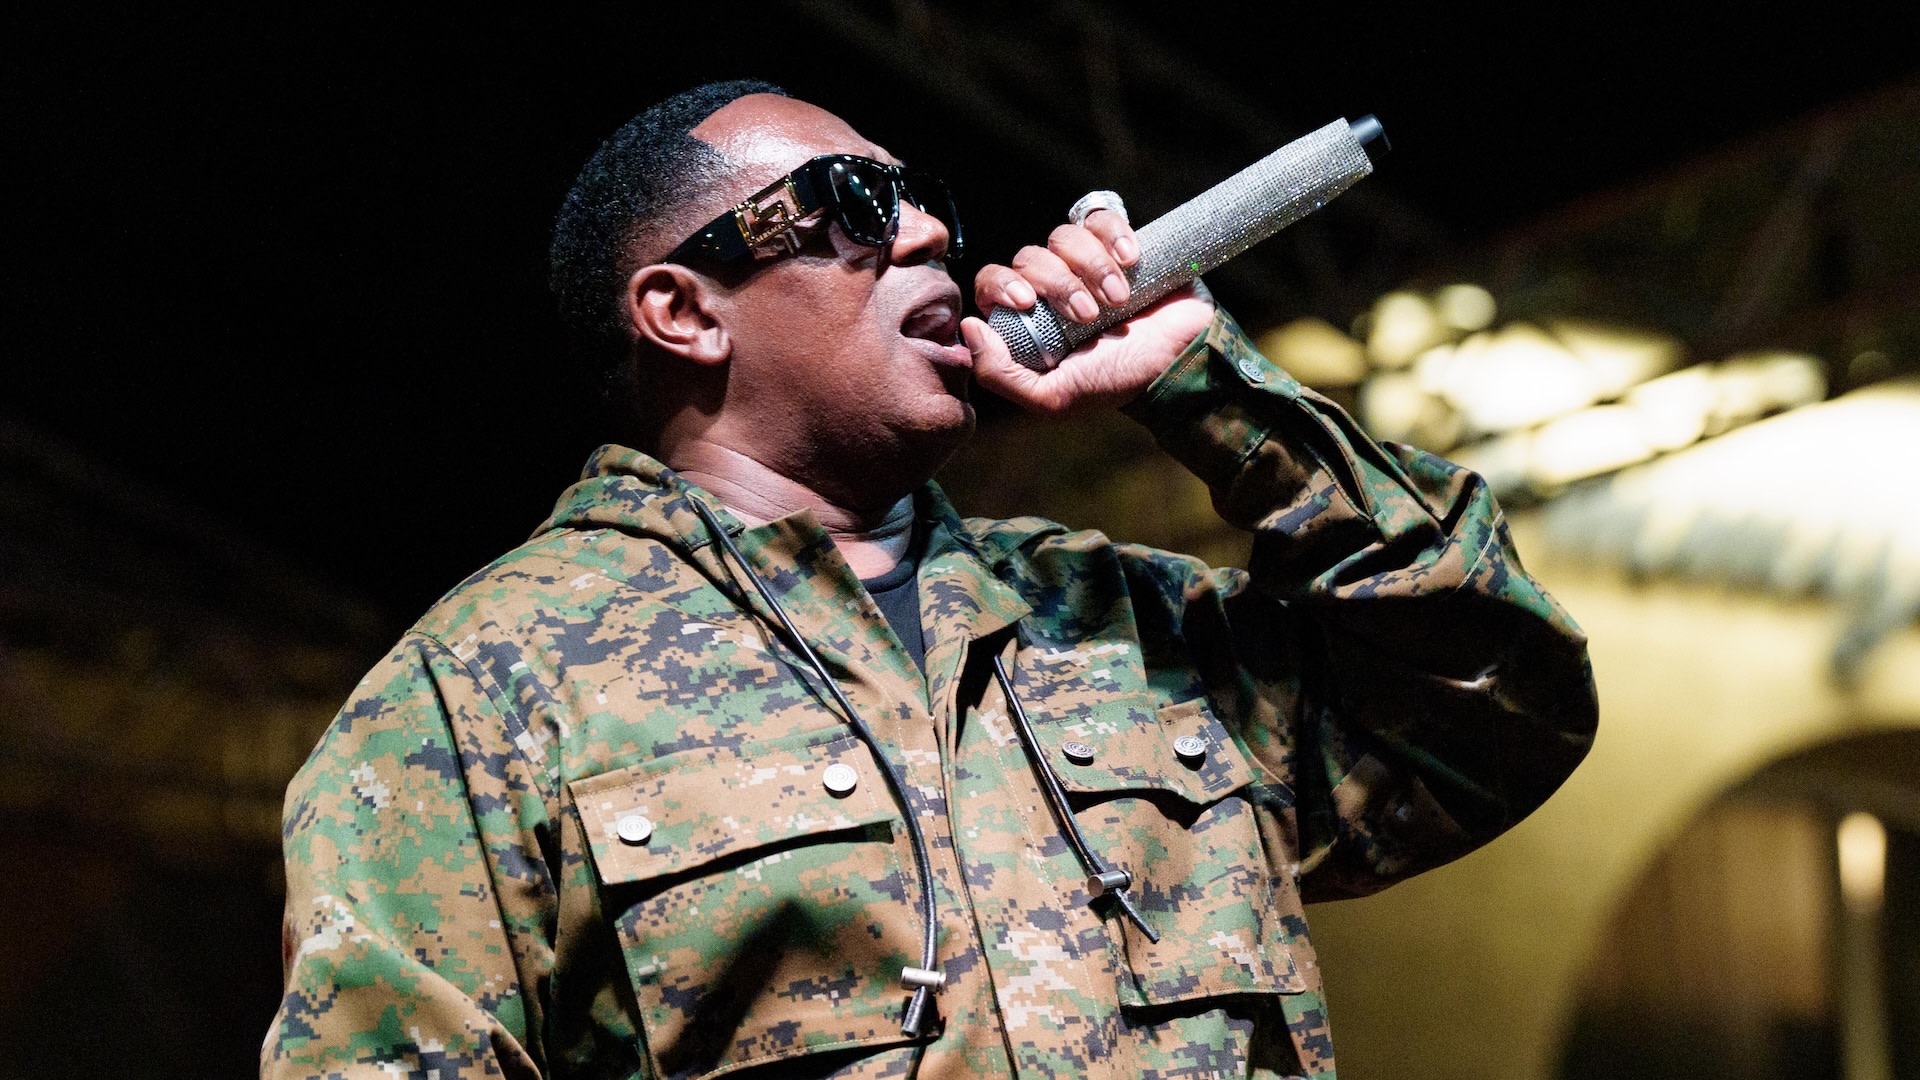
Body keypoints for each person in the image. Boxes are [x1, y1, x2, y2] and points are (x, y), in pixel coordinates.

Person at [264, 80, 1597, 1079]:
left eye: (923, 204)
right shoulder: (483, 694)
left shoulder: (1122, 628)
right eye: (849, 206)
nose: (921, 236)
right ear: (682, 311)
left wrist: (1206, 386)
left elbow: (1496, 700)